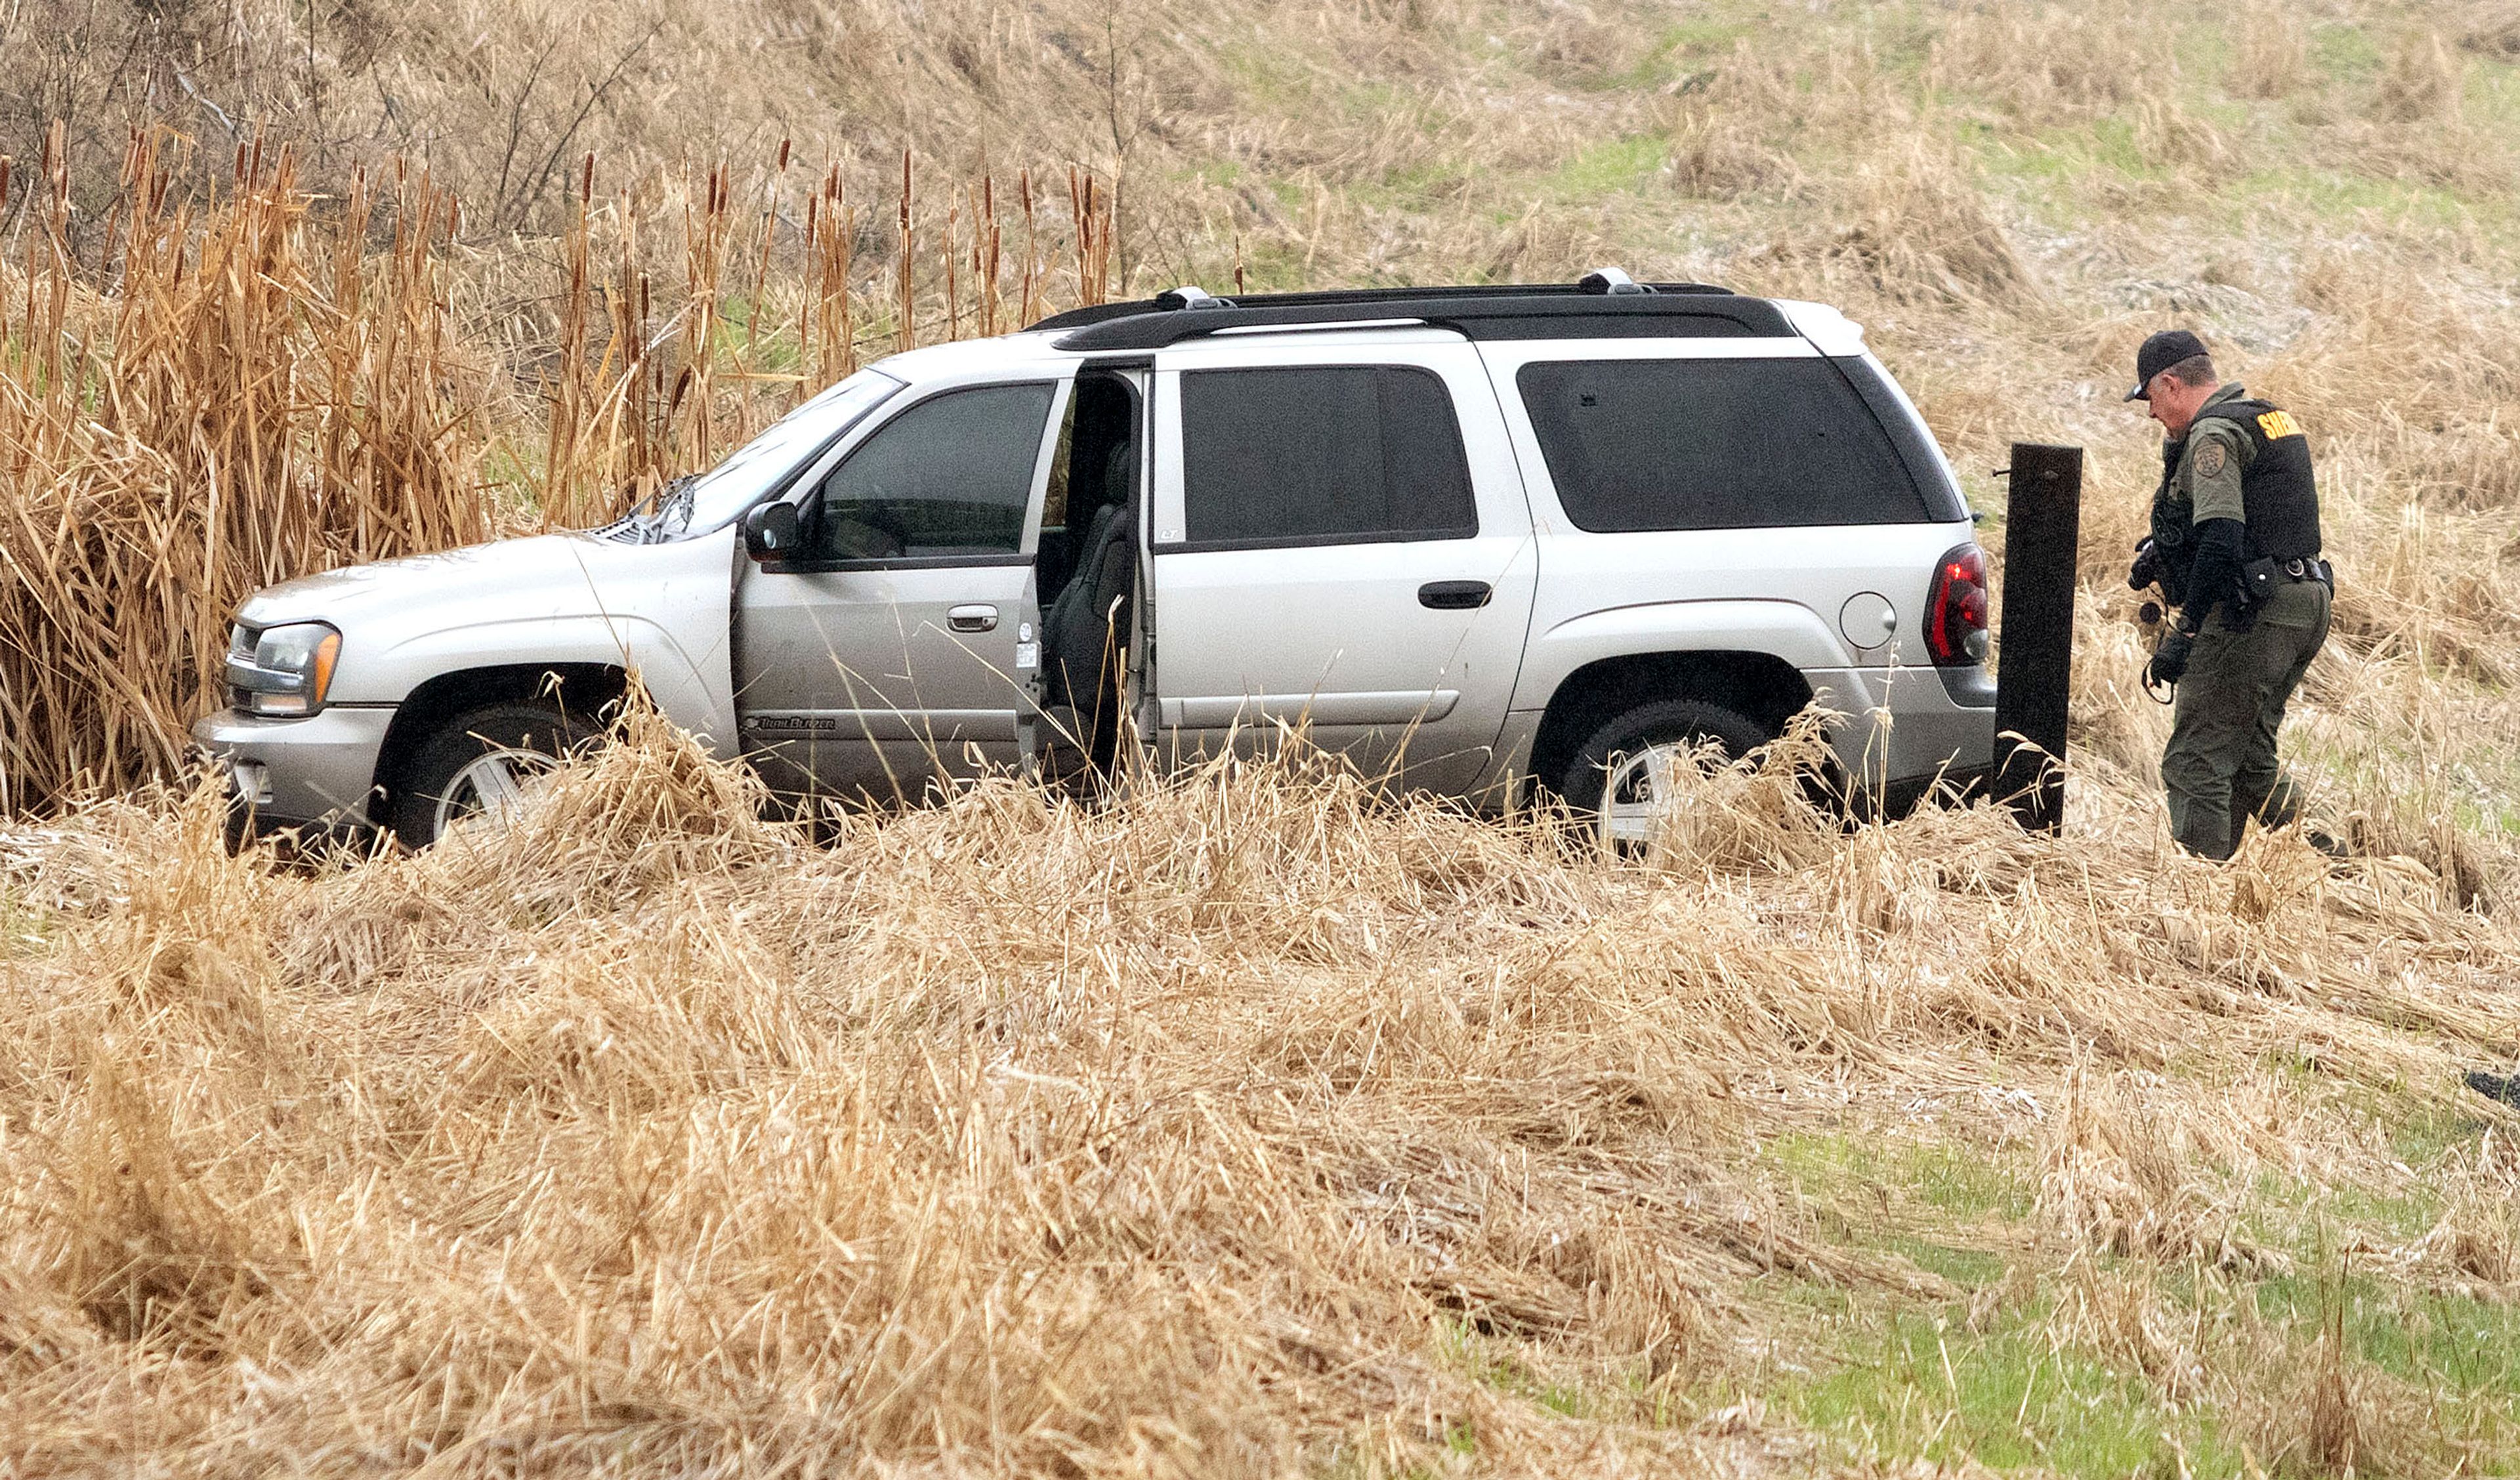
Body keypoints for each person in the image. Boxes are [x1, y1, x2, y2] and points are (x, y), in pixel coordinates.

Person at [2124, 329, 2332, 861]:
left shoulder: (2213, 433)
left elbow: (2222, 535)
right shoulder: (2265, 417)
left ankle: (2203, 906)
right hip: (2305, 601)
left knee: (2196, 760)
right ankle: (2345, 874)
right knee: (2248, 762)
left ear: (2171, 385)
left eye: (2149, 398)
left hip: (2253, 616)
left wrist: (2185, 632)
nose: (2151, 414)